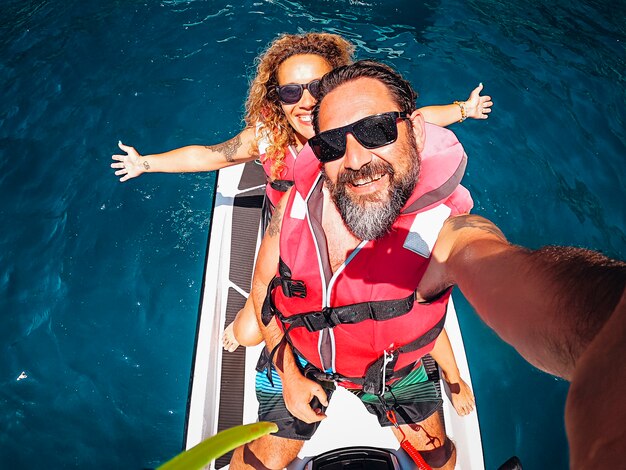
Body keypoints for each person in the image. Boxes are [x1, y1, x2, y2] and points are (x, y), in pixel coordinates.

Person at [235, 60, 626, 469]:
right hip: (299, 358)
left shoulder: (445, 230)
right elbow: (264, 290)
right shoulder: (297, 204)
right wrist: (291, 376)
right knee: (255, 463)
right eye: (333, 143)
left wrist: (609, 337)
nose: (354, 158)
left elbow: (515, 279)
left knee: (439, 459)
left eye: (377, 129)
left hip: (393, 370)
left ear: (416, 130)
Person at [113, 32, 486, 412]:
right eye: (290, 92)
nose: (305, 102)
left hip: (359, 235)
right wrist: (146, 162)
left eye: (316, 87)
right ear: (277, 99)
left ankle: (453, 378)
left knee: (406, 303)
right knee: (244, 334)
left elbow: (411, 120)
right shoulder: (269, 139)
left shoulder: (360, 138)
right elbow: (210, 155)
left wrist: (463, 109)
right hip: (293, 243)